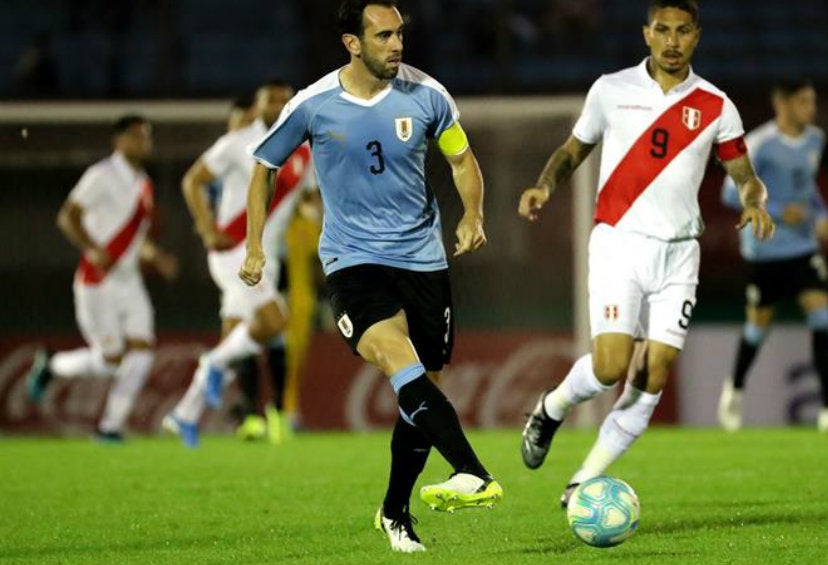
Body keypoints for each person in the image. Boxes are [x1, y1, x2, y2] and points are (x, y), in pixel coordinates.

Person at [239, 0, 502, 552]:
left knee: (421, 388)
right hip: (353, 261)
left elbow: (461, 160)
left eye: (400, 34)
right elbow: (264, 169)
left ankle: (394, 511)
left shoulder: (429, 94)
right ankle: (473, 471)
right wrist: (255, 244)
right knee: (395, 357)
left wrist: (473, 213)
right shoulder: (313, 105)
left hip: (424, 260)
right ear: (353, 43)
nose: (397, 45)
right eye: (384, 36)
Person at [518, 0, 775, 508]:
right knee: (611, 366)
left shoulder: (716, 104)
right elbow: (573, 149)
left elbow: (746, 177)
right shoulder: (610, 90)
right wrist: (545, 186)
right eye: (663, 30)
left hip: (680, 254)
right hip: (619, 243)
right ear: (646, 34)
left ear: (696, 37)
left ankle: (582, 481)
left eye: (683, 31)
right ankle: (550, 408)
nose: (673, 41)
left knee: (652, 375)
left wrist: (753, 204)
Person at [163, 80, 318, 447]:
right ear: (259, 105)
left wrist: (321, 220)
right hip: (235, 250)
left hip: (269, 257)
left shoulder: (304, 150)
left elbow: (309, 198)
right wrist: (205, 228)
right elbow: (193, 181)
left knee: (237, 336)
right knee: (274, 322)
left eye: (285, 98)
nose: (278, 104)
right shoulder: (237, 143)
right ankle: (213, 366)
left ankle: (184, 414)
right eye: (271, 99)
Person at [25, 115, 178, 442]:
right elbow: (68, 216)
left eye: (147, 136)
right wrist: (91, 248)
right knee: (110, 361)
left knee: (143, 353)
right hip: (98, 281)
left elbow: (136, 241)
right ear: (118, 141)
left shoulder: (144, 184)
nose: (144, 142)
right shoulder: (101, 175)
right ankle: (53, 365)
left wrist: (157, 257)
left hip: (130, 281)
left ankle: (110, 427)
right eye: (136, 136)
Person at [717, 79, 828, 435]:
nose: (812, 108)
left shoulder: (815, 140)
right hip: (766, 250)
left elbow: (806, 186)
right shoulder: (760, 144)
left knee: (822, 316)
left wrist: (821, 212)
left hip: (803, 248)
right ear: (783, 104)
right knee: (757, 327)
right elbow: (731, 194)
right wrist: (777, 211)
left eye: (813, 101)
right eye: (805, 102)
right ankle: (734, 388)